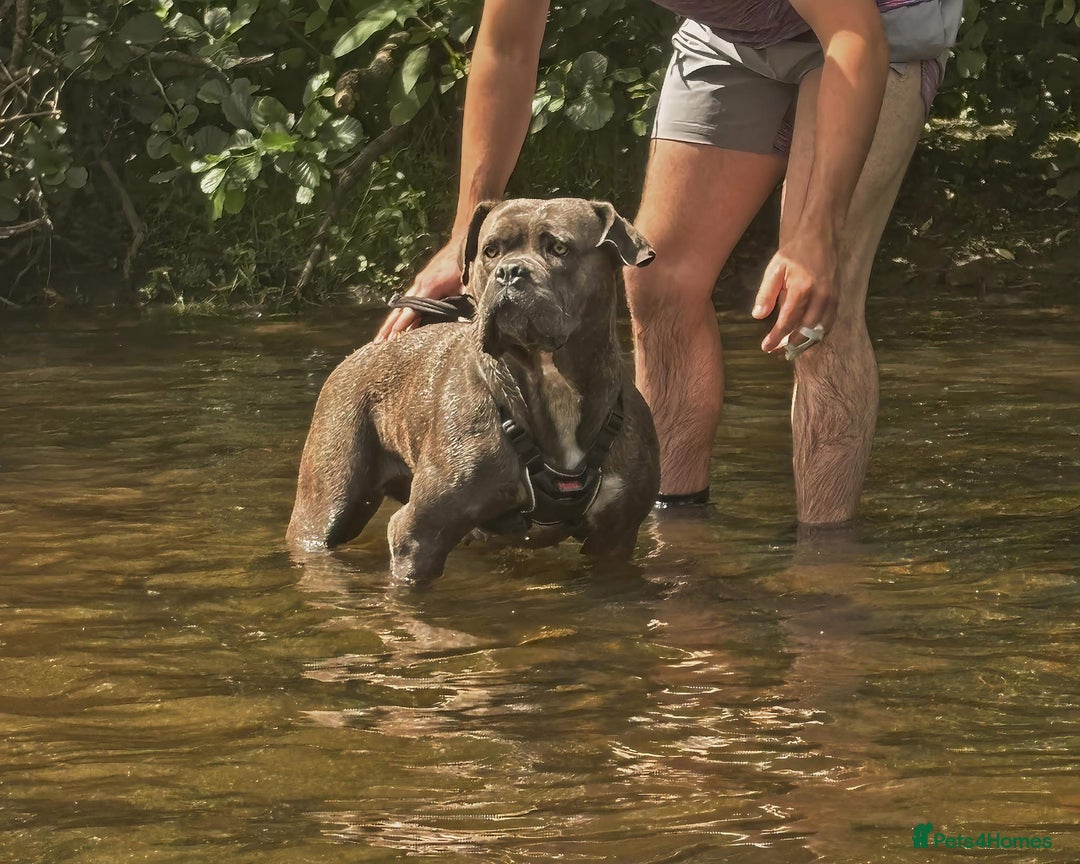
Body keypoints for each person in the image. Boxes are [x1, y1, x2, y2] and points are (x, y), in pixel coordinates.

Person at [376, 0, 961, 525]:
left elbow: (852, 35)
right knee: (656, 278)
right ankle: (671, 531)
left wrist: (818, 232)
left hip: (869, 26)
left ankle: (825, 579)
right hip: (729, 34)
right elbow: (505, 48)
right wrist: (464, 239)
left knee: (814, 312)